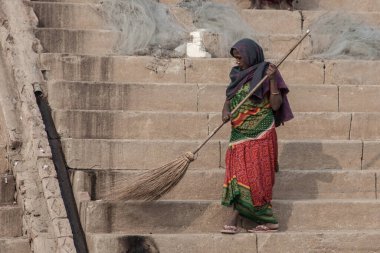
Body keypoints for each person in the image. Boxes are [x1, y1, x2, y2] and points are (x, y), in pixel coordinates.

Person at [220, 38, 293, 234]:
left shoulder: (267, 72)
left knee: (257, 178)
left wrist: (271, 80)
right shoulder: (236, 75)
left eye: (240, 58)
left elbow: (276, 105)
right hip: (238, 134)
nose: (237, 62)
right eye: (235, 58)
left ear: (251, 56)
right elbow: (228, 100)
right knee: (236, 176)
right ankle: (236, 216)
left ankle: (268, 221)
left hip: (261, 134)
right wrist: (225, 112)